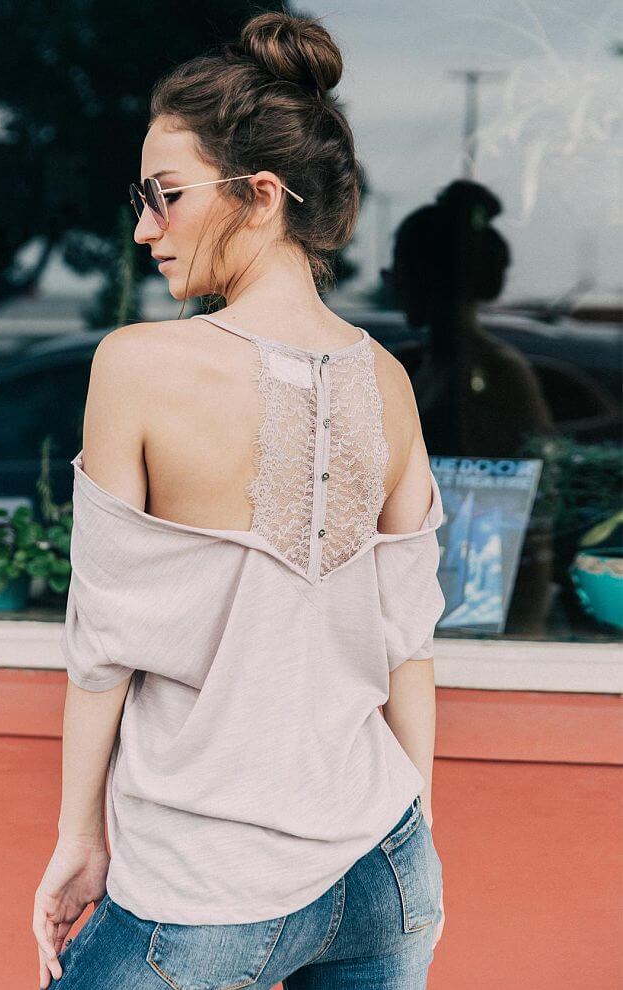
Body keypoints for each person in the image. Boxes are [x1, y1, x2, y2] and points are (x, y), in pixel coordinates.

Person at [33, 11, 446, 989]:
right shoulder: (387, 378)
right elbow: (408, 641)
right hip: (384, 863)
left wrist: (78, 839)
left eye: (166, 195)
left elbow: (103, 645)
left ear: (260, 195)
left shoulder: (135, 364)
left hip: (200, 885)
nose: (145, 227)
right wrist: (415, 828)